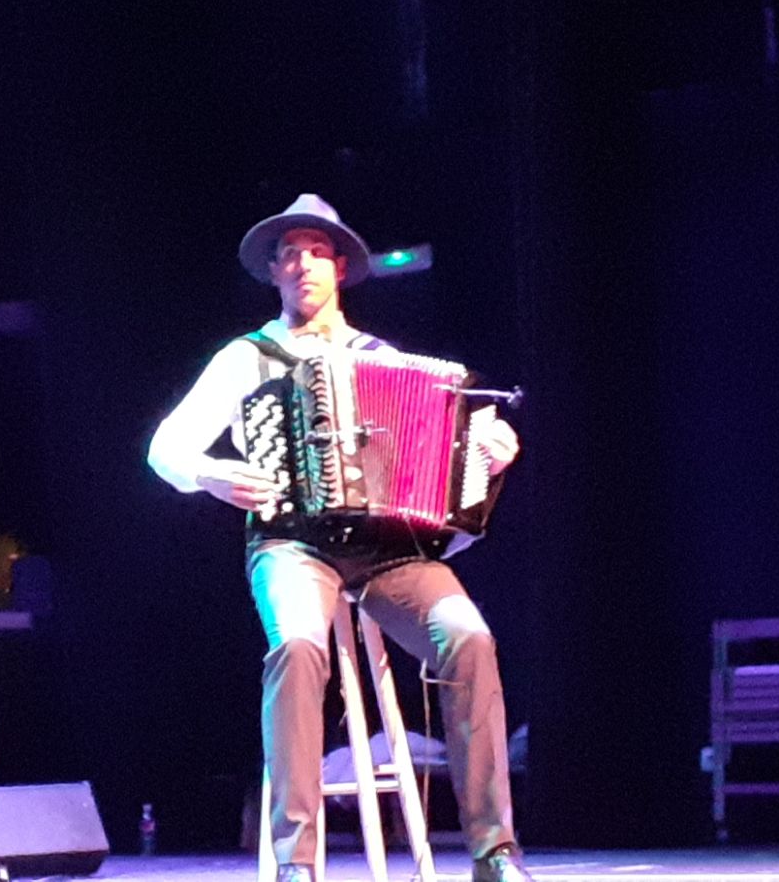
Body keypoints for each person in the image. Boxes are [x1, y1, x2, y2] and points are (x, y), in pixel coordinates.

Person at [147, 194, 527, 882]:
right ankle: (296, 862)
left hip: (387, 551)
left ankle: (493, 851)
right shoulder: (245, 358)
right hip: (290, 544)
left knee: (468, 637)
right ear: (273, 272)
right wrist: (209, 474)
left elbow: (445, 461)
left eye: (317, 252)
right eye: (288, 254)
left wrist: (489, 451)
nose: (303, 265)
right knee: (297, 645)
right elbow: (165, 447)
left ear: (340, 268)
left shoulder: (383, 358)